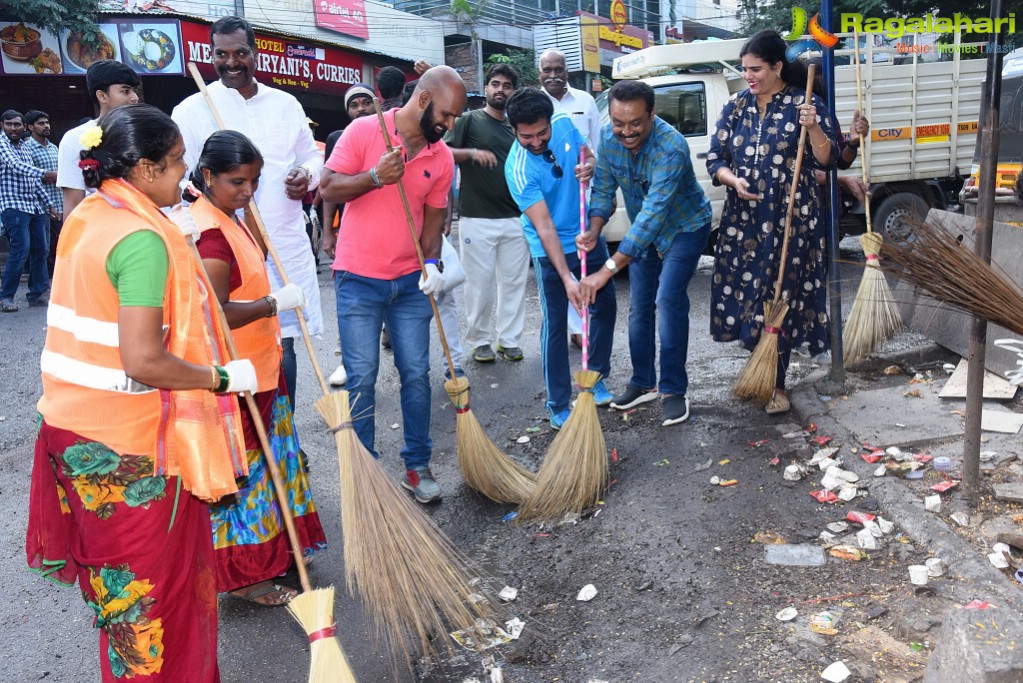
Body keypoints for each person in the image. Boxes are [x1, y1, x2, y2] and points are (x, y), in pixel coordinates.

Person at [26, 103, 258, 682]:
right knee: (151, 601)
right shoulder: (142, 239)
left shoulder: (87, 216)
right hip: (130, 449)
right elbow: (143, 359)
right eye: (178, 162)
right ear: (147, 168)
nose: (184, 175)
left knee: (124, 598)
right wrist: (224, 377)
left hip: (72, 433)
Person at [184, 130, 327, 606]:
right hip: (235, 376)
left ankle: (278, 552)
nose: (248, 190)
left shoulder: (231, 215)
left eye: (254, 181)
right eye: (236, 182)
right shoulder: (208, 233)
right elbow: (217, 312)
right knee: (247, 477)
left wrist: (247, 212)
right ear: (207, 176)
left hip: (261, 368)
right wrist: (272, 304)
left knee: (274, 467)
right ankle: (247, 576)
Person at [319, 66, 465, 504]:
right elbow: (327, 187)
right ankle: (364, 472)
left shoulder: (440, 156)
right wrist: (375, 177)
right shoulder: (366, 131)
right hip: (358, 280)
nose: (450, 125)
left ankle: (417, 466)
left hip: (409, 281)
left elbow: (436, 216)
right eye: (446, 115)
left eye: (456, 118)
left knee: (417, 375)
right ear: (422, 100)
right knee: (361, 377)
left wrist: (433, 262)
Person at [172, 15, 324, 410]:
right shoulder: (191, 109)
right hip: (222, 248)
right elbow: (175, 177)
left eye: (240, 52)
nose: (231, 62)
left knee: (283, 346)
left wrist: (306, 174)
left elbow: (312, 155)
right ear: (211, 54)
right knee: (225, 345)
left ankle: (280, 435)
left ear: (255, 53)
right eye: (221, 54)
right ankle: (239, 446)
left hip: (282, 242)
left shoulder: (285, 103)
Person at [706, 29, 838, 414]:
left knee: (779, 295)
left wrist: (812, 126)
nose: (749, 76)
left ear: (777, 66)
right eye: (745, 69)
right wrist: (733, 181)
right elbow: (716, 159)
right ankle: (759, 367)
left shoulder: (803, 102)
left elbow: (827, 159)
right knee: (750, 294)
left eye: (756, 69)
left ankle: (777, 384)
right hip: (744, 220)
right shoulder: (736, 106)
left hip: (791, 218)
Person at [579, 80, 712, 426]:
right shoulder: (608, 138)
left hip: (684, 226)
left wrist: (607, 268)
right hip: (643, 232)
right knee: (639, 306)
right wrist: (593, 231)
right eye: (619, 122)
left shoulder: (671, 146)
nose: (626, 132)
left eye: (635, 123)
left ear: (652, 115)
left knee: (667, 300)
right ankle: (643, 382)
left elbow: (655, 212)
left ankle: (673, 389)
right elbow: (604, 190)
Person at [504, 88, 616, 429]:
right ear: (514, 130)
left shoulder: (565, 124)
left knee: (604, 306)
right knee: (555, 323)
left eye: (542, 133)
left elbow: (590, 153)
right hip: (548, 245)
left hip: (586, 233)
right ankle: (557, 403)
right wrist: (567, 277)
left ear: (549, 121)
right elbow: (544, 227)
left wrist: (590, 164)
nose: (536, 141)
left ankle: (595, 377)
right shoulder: (518, 169)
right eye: (527, 136)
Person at [444, 63, 529, 365]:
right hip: (476, 218)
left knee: (514, 283)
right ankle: (480, 341)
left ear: (513, 91)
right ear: (487, 87)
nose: (500, 90)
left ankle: (509, 340)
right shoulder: (469, 120)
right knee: (479, 286)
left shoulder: (519, 128)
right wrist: (470, 154)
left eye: (507, 85)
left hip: (517, 219)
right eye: (495, 83)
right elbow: (441, 153)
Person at [538, 48, 600, 350]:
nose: (553, 75)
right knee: (552, 267)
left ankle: (579, 326)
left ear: (567, 71)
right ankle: (558, 327)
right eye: (547, 70)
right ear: (539, 72)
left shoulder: (586, 102)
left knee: (580, 262)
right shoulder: (533, 105)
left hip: (581, 199)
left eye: (558, 69)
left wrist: (591, 166)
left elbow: (595, 149)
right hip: (545, 201)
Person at [321, 83, 377, 388]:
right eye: (353, 105)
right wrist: (328, 232)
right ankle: (346, 360)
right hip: (352, 232)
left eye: (365, 102)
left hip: (388, 233)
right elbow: (329, 190)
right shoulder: (337, 139)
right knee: (351, 299)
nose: (360, 109)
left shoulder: (391, 134)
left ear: (376, 104)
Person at [57, 60, 140, 219]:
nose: (135, 97)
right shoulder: (74, 139)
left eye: (134, 91)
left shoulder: (147, 131)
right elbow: (73, 204)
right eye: (125, 91)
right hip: (103, 233)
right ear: (102, 96)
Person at [0, 109, 57, 312]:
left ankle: (36, 294)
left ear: (24, 127)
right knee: (20, 251)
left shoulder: (24, 146)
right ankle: (6, 297)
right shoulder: (1, 144)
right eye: (9, 124)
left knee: (41, 250)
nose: (14, 129)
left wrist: (49, 203)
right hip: (13, 206)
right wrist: (48, 173)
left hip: (35, 205)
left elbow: (33, 179)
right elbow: (16, 166)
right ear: (3, 125)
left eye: (17, 125)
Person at [24, 110, 63, 277]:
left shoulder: (53, 147)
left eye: (47, 122)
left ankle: (58, 277)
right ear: (30, 127)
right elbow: (26, 176)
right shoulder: (26, 149)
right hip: (40, 206)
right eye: (41, 123)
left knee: (61, 243)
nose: (46, 126)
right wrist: (46, 175)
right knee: (44, 247)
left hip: (60, 202)